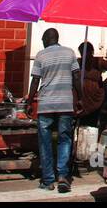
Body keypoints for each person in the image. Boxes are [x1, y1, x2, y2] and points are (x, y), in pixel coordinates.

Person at [28, 28, 79, 193]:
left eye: (43, 39)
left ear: (45, 39)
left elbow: (35, 80)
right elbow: (77, 77)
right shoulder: (70, 53)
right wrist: (81, 98)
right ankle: (63, 177)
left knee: (45, 142)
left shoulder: (41, 55)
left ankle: (48, 180)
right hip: (65, 104)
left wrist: (29, 101)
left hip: (46, 105)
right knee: (65, 139)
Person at [76, 41, 107, 128]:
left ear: (91, 51)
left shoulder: (99, 62)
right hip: (82, 96)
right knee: (81, 121)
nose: (84, 55)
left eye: (86, 52)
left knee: (93, 120)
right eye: (81, 52)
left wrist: (105, 82)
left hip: (95, 96)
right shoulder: (78, 62)